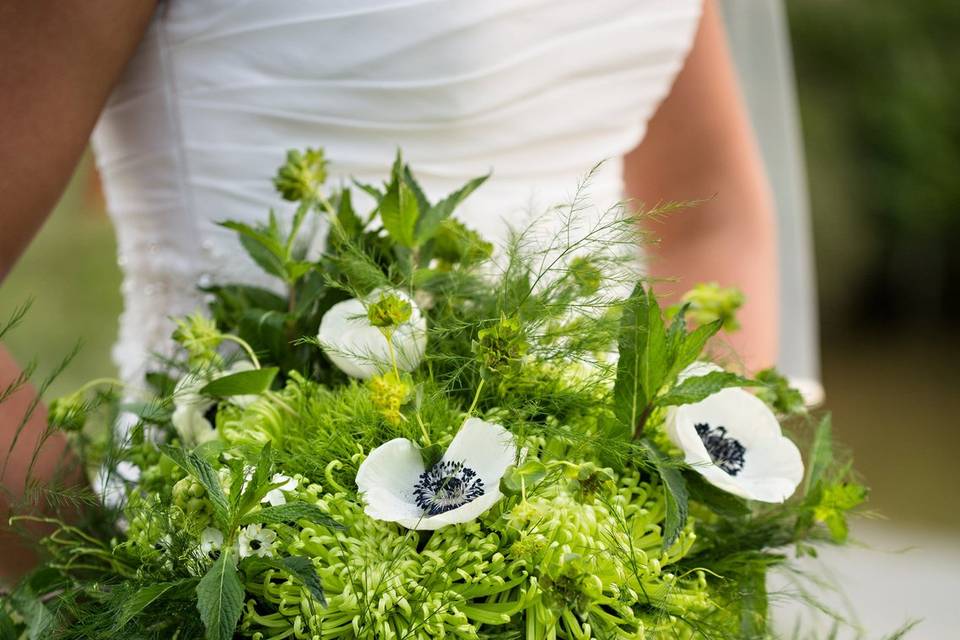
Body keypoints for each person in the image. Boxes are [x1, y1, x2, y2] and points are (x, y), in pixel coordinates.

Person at [0, 0, 786, 582]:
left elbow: (706, 218)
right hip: (253, 564)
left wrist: (688, 513)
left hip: (598, 558)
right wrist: (111, 587)